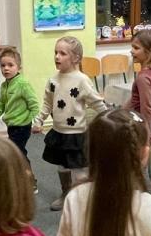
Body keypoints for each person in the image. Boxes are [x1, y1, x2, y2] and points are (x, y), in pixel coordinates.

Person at [32, 36, 108, 211]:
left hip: (76, 134)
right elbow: (47, 103)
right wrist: (39, 120)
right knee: (62, 166)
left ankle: (82, 199)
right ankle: (66, 193)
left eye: (62, 53)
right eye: (55, 52)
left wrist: (110, 118)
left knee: (79, 170)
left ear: (76, 58)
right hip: (59, 132)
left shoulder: (82, 80)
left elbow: (96, 102)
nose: (57, 56)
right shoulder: (53, 80)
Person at [0, 46, 41, 193]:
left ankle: (30, 182)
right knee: (16, 153)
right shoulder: (4, 86)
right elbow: (0, 105)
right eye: (3, 65)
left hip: (22, 126)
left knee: (17, 153)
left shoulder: (22, 84)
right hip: (12, 126)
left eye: (10, 65)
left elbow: (34, 104)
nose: (6, 68)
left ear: (18, 67)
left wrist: (37, 122)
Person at [127, 29, 151, 138]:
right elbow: (135, 98)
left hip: (145, 123)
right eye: (132, 47)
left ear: (150, 52)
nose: (131, 51)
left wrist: (146, 133)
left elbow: (146, 108)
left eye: (136, 48)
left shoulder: (143, 77)